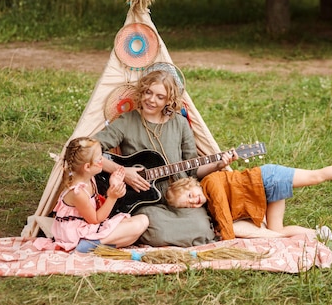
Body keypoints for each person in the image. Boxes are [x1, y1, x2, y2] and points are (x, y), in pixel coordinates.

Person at [93, 69, 237, 247]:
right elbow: (90, 150)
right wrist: (122, 172)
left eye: (160, 97)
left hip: (181, 197)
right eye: (148, 92)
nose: (152, 100)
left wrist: (218, 164)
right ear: (142, 91)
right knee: (157, 232)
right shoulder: (127, 121)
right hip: (145, 198)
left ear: (169, 100)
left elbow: (192, 169)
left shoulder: (180, 123)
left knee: (202, 229)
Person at [165, 162, 332, 244]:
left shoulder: (210, 182)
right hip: (265, 194)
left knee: (316, 176)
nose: (194, 202)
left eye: (190, 196)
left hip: (268, 178)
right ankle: (321, 233)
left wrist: (227, 240)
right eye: (189, 206)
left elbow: (224, 212)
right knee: (277, 230)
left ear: (192, 185)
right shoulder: (208, 203)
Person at [49, 137, 149, 253]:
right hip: (76, 234)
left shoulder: (90, 178)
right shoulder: (78, 192)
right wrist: (112, 197)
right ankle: (87, 246)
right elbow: (95, 219)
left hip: (88, 227)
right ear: (87, 167)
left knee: (142, 221)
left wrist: (113, 185)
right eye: (98, 159)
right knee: (135, 227)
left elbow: (97, 207)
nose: (102, 161)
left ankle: (95, 246)